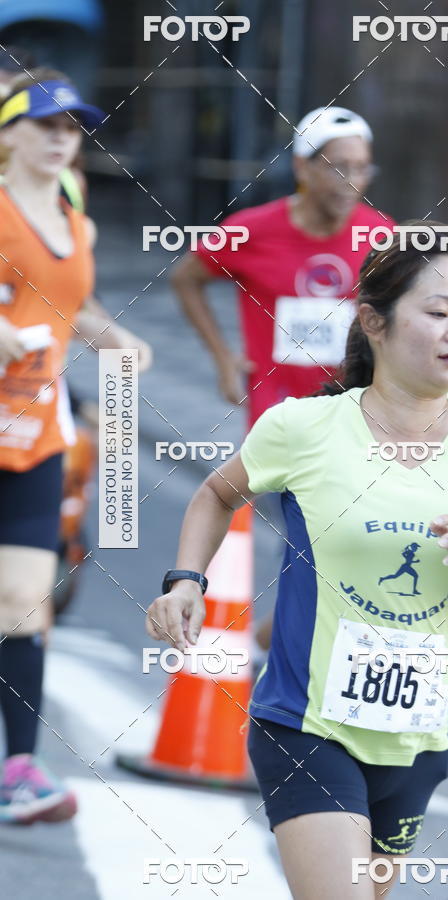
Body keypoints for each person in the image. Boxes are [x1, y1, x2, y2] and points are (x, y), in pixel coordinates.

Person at [146, 225, 448, 898]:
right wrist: (188, 581)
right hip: (307, 724)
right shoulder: (303, 427)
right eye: (437, 312)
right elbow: (216, 495)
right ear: (374, 321)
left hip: (417, 738)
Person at [0, 69, 150, 825]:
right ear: (9, 133)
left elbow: (70, 306)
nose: (64, 137)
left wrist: (114, 337)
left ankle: (20, 769)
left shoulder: (75, 217)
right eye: (48, 124)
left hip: (36, 436)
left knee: (26, 600)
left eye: (73, 127)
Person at [172, 105, 393, 429]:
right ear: (302, 167)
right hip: (276, 419)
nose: (352, 181)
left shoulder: (381, 233)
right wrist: (223, 358)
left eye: (362, 168)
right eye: (338, 168)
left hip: (353, 417)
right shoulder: (251, 230)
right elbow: (185, 279)